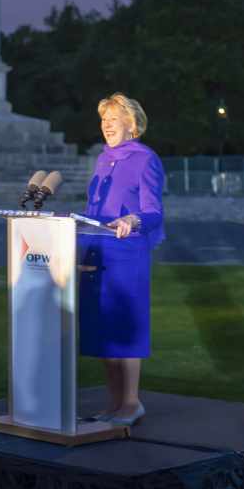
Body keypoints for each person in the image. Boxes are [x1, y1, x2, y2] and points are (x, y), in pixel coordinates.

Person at [78, 92, 165, 425]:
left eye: (113, 119)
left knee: (124, 329)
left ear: (132, 124)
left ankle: (131, 404)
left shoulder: (145, 159)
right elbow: (94, 210)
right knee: (104, 332)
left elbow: (154, 212)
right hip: (97, 253)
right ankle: (114, 404)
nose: (106, 125)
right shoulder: (103, 161)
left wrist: (132, 219)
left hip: (126, 256)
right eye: (104, 120)